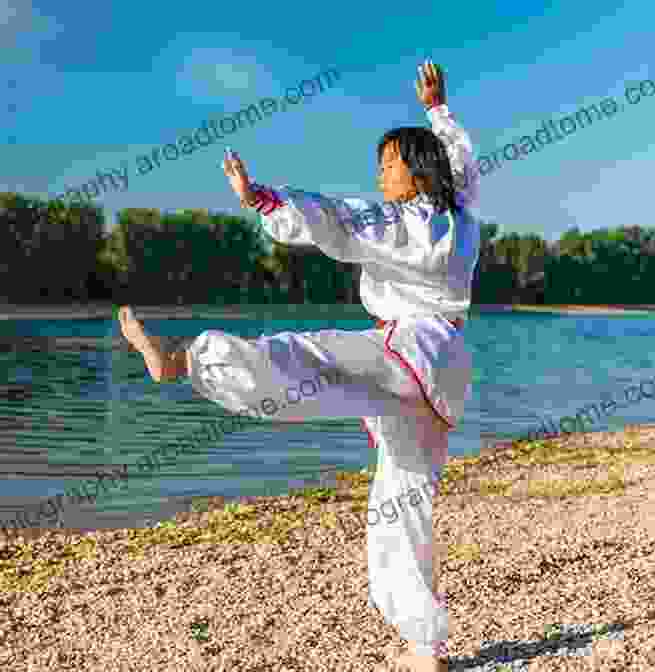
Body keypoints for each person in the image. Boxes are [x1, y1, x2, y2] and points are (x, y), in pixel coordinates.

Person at [118, 60, 480, 672]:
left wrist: (263, 199)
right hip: (444, 372)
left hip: (405, 351)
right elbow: (462, 162)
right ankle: (426, 650)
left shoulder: (398, 220)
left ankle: (184, 362)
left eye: (389, 164)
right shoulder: (463, 215)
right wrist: (438, 109)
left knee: (308, 355)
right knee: (402, 502)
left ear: (416, 172)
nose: (381, 173)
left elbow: (334, 218)